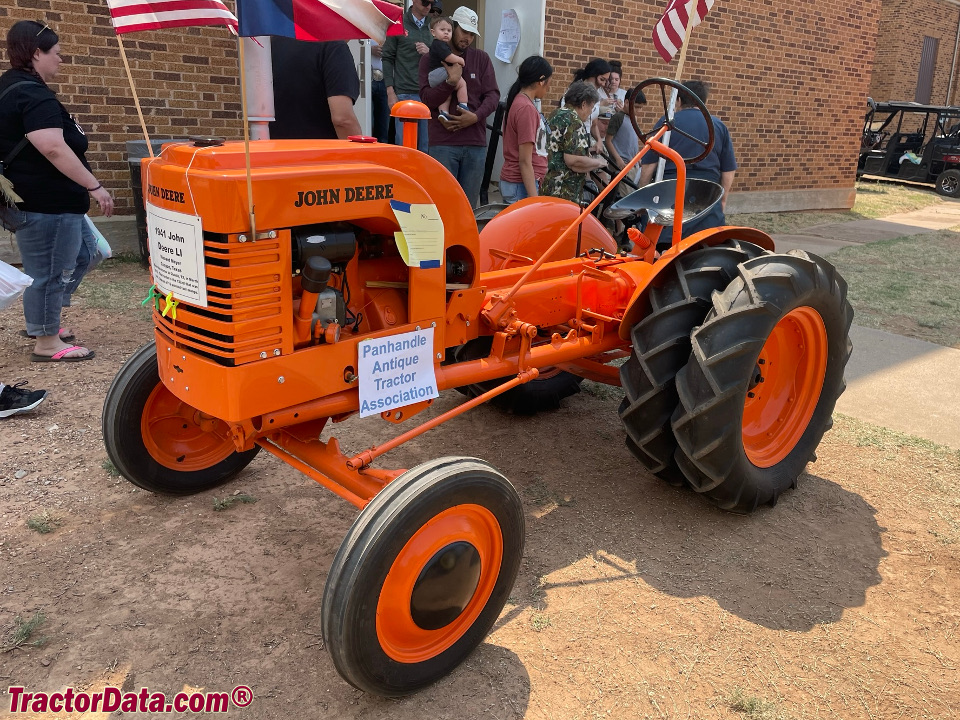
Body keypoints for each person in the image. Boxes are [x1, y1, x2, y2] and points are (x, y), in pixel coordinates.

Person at [0, 20, 114, 363]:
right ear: (37, 53)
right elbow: (51, 147)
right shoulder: (31, 93)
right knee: (49, 270)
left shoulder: (14, 87)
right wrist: (94, 186)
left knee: (88, 254)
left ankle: (45, 320)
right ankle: (47, 341)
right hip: (44, 204)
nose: (61, 61)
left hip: (50, 201)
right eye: (57, 54)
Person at [419, 6, 500, 209]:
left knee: (468, 208)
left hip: (475, 142)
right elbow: (426, 99)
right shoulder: (429, 59)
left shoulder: (481, 58)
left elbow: (493, 95)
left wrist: (476, 116)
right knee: (442, 206)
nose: (468, 38)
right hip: (442, 142)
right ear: (452, 27)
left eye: (472, 34)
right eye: (464, 31)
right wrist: (450, 83)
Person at [638, 79, 736, 239]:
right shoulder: (718, 126)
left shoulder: (667, 124)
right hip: (707, 197)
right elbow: (728, 170)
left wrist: (643, 199)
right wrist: (721, 200)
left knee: (662, 250)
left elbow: (648, 166)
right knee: (707, 244)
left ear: (679, 99)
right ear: (703, 100)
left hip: (670, 196)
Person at [270, 39, 361, 140]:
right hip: (319, 151)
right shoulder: (334, 47)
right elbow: (343, 120)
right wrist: (362, 154)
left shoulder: (271, 42)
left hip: (274, 149)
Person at [540, 81, 607, 204]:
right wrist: (598, 162)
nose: (591, 113)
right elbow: (574, 161)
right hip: (563, 190)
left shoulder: (557, 113)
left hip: (548, 183)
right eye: (591, 108)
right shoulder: (574, 121)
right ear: (583, 104)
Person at [499, 55, 553, 204]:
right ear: (541, 81)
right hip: (520, 185)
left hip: (519, 183)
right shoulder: (525, 108)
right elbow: (524, 161)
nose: (549, 88)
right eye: (549, 82)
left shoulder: (520, 102)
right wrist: (533, 199)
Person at [382, 0, 435, 150]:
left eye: (432, 2)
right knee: (405, 145)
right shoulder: (398, 23)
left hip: (427, 95)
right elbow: (387, 58)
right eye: (425, 2)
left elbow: (443, 58)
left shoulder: (433, 26)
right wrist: (390, 92)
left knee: (425, 147)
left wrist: (430, 53)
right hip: (404, 93)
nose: (428, 6)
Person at [562, 58, 613, 153]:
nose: (603, 84)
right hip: (573, 138)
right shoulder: (575, 93)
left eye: (605, 81)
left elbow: (593, 124)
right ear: (593, 75)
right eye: (601, 79)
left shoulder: (595, 94)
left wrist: (599, 141)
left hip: (587, 138)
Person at [425, 16, 469, 122]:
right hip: (439, 72)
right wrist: (460, 60)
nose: (446, 33)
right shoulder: (439, 44)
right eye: (442, 30)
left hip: (434, 76)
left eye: (449, 31)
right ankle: (463, 104)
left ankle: (443, 113)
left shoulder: (438, 45)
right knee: (462, 84)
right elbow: (448, 57)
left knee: (446, 95)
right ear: (433, 32)